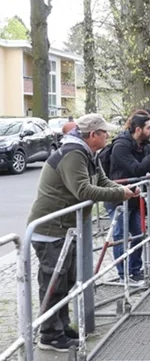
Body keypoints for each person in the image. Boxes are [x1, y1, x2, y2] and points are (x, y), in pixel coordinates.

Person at [28, 114, 137, 351]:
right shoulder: (73, 154)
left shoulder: (88, 154)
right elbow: (83, 190)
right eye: (104, 132)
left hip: (65, 228)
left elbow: (103, 180)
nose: (108, 135)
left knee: (65, 280)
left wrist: (121, 189)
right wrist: (120, 194)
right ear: (93, 135)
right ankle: (49, 334)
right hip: (51, 229)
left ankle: (61, 327)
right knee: (53, 282)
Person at [109, 112, 150, 281]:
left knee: (138, 234)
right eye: (148, 128)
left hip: (135, 196)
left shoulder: (142, 145)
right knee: (120, 236)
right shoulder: (121, 146)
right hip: (119, 196)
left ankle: (135, 270)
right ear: (138, 130)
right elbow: (136, 170)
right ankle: (123, 275)